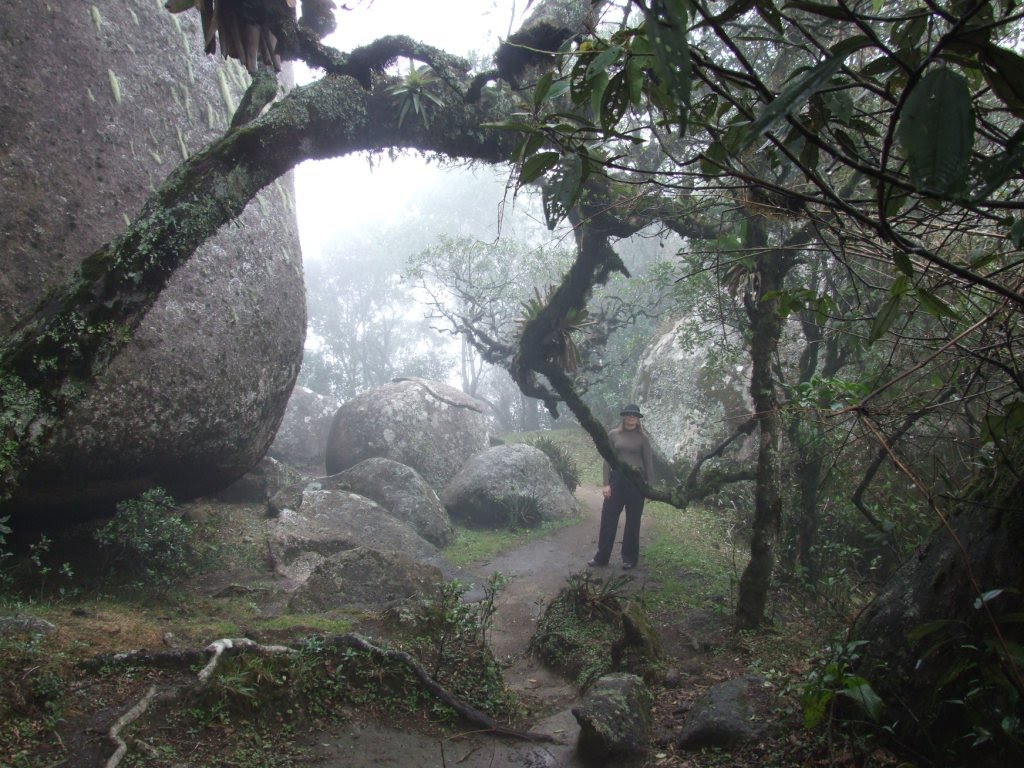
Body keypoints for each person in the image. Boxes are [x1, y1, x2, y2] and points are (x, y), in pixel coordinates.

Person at [589, 404, 654, 570]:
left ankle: (629, 558)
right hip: (616, 480)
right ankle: (601, 557)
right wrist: (606, 484)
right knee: (608, 519)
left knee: (633, 522)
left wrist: (649, 488)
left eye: (635, 415)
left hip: (636, 482)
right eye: (629, 414)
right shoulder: (613, 434)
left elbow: (648, 464)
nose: (632, 417)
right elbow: (607, 460)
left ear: (638, 418)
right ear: (624, 416)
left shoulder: (643, 438)